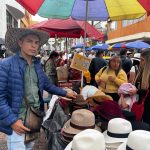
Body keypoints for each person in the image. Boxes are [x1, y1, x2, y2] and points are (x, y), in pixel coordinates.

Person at [0, 28, 77, 150]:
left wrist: (65, 93)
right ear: (20, 43)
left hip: (33, 119)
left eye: (36, 42)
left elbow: (47, 85)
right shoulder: (6, 65)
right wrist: (12, 121)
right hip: (17, 122)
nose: (33, 45)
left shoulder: (37, 65)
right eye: (29, 41)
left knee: (29, 147)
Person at [129, 49, 150, 126]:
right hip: (140, 103)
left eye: (142, 60)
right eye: (140, 59)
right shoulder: (141, 71)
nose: (140, 62)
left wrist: (137, 91)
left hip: (147, 106)